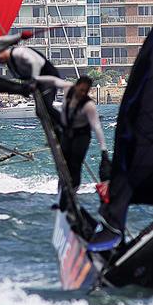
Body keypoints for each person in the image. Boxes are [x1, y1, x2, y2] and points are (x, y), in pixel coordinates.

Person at [35, 74, 111, 211]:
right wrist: (35, 79)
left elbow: (97, 127)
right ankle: (61, 196)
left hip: (81, 135)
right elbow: (53, 80)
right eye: (81, 89)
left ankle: (72, 195)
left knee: (75, 164)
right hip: (67, 132)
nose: (82, 93)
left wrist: (104, 150)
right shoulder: (67, 89)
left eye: (86, 91)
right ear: (76, 86)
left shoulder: (89, 105)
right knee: (62, 164)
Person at [0, 42, 62, 123]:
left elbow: (34, 63)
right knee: (40, 111)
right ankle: (56, 127)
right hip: (37, 82)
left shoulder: (18, 52)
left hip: (46, 77)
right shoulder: (10, 62)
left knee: (46, 108)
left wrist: (33, 81)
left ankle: (64, 126)